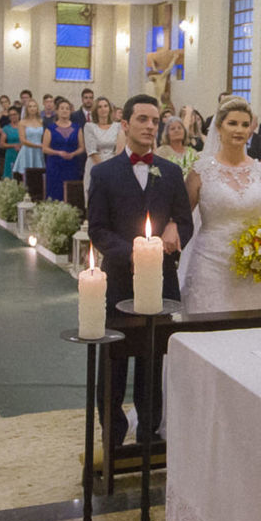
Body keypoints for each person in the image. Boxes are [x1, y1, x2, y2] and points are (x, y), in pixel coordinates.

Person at [86, 94, 193, 446]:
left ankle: (150, 435)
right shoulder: (104, 174)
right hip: (119, 280)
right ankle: (113, 436)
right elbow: (97, 229)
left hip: (161, 281)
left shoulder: (171, 172)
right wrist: (134, 254)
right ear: (125, 124)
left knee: (152, 359)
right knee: (114, 362)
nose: (150, 126)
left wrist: (177, 226)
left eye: (154, 121)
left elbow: (184, 221)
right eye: (143, 120)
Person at [182, 96, 261, 314]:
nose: (239, 130)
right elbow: (183, 217)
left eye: (245, 124)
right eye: (232, 123)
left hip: (253, 266)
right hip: (210, 263)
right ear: (219, 127)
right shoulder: (201, 170)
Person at [80, 96, 124, 193]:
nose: (103, 109)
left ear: (110, 108)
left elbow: (120, 149)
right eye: (100, 107)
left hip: (114, 165)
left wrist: (114, 169)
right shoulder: (89, 126)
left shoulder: (117, 126)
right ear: (95, 110)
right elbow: (91, 151)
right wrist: (104, 171)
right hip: (96, 165)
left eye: (105, 106)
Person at [43, 99, 84, 201]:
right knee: (55, 191)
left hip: (72, 165)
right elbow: (45, 148)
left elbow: (82, 147)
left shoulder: (77, 128)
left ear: (70, 111)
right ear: (57, 111)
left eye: (67, 108)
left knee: (71, 192)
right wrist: (58, 152)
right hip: (55, 165)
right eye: (62, 108)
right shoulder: (50, 128)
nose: (65, 111)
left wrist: (73, 154)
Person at [13, 98, 46, 196]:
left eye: (34, 106)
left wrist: (43, 145)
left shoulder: (41, 121)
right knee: (25, 177)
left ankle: (37, 196)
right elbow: (23, 140)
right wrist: (38, 145)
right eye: (30, 106)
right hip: (28, 151)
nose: (32, 108)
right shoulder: (22, 122)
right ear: (26, 109)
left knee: (38, 176)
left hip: (39, 152)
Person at [144, 45, 181, 111]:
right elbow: (154, 70)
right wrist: (152, 62)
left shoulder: (161, 77)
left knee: (163, 110)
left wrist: (174, 58)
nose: (150, 79)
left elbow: (169, 68)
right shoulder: (155, 80)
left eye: (151, 76)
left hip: (163, 101)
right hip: (157, 100)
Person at [0, 105, 23, 179]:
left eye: (14, 114)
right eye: (10, 115)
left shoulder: (24, 126)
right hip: (10, 154)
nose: (13, 116)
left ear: (18, 115)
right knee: (10, 177)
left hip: (22, 154)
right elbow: (2, 144)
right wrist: (14, 145)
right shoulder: (6, 128)